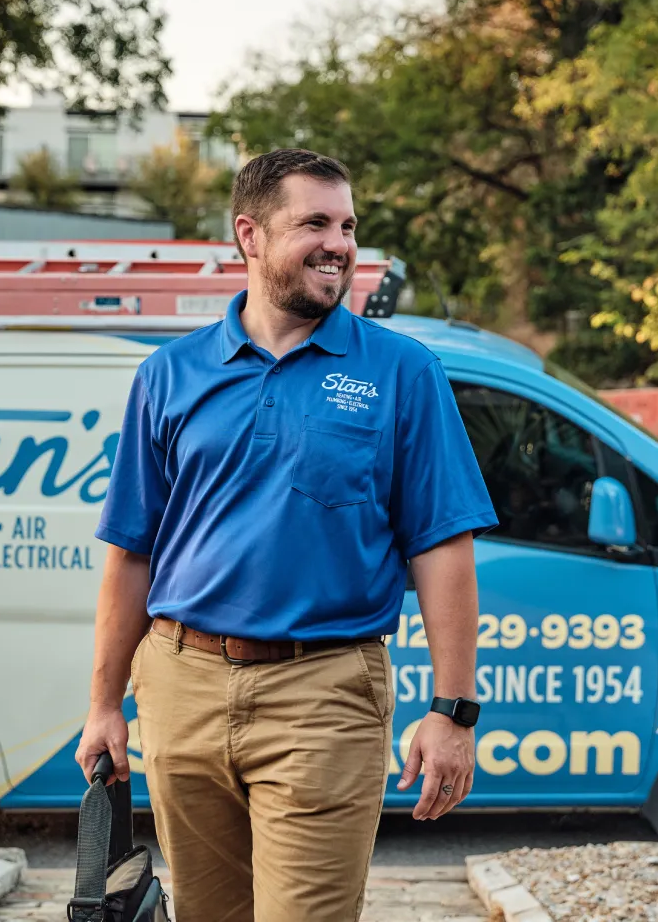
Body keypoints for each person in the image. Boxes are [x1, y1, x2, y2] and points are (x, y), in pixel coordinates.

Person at [75, 148, 497, 922]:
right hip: (180, 685)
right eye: (314, 223)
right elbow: (132, 551)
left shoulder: (402, 372)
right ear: (251, 235)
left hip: (325, 689)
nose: (339, 242)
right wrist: (106, 701)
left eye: (347, 224)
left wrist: (454, 710)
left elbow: (442, 544)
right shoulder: (169, 374)